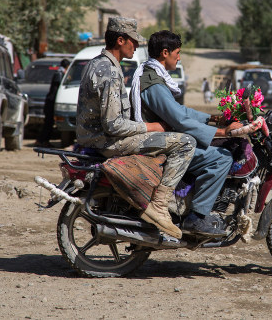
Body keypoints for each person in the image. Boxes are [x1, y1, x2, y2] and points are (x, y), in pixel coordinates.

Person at [76, 17, 196, 239]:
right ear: (120, 40)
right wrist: (151, 126)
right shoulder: (109, 71)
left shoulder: (98, 63)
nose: (137, 45)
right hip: (108, 141)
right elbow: (113, 124)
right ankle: (160, 206)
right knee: (186, 143)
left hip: (95, 137)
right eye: (133, 41)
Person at [130, 30, 243, 237]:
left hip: (163, 140)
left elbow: (180, 111)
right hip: (159, 147)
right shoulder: (152, 83)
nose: (179, 57)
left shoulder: (154, 77)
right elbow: (178, 119)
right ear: (165, 53)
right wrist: (221, 131)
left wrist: (212, 118)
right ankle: (197, 217)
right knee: (221, 158)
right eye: (177, 53)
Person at [35, 58, 70, 147]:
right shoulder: (59, 74)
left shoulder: (59, 73)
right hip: (51, 102)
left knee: (49, 123)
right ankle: (41, 140)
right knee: (48, 123)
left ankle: (44, 140)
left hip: (51, 102)